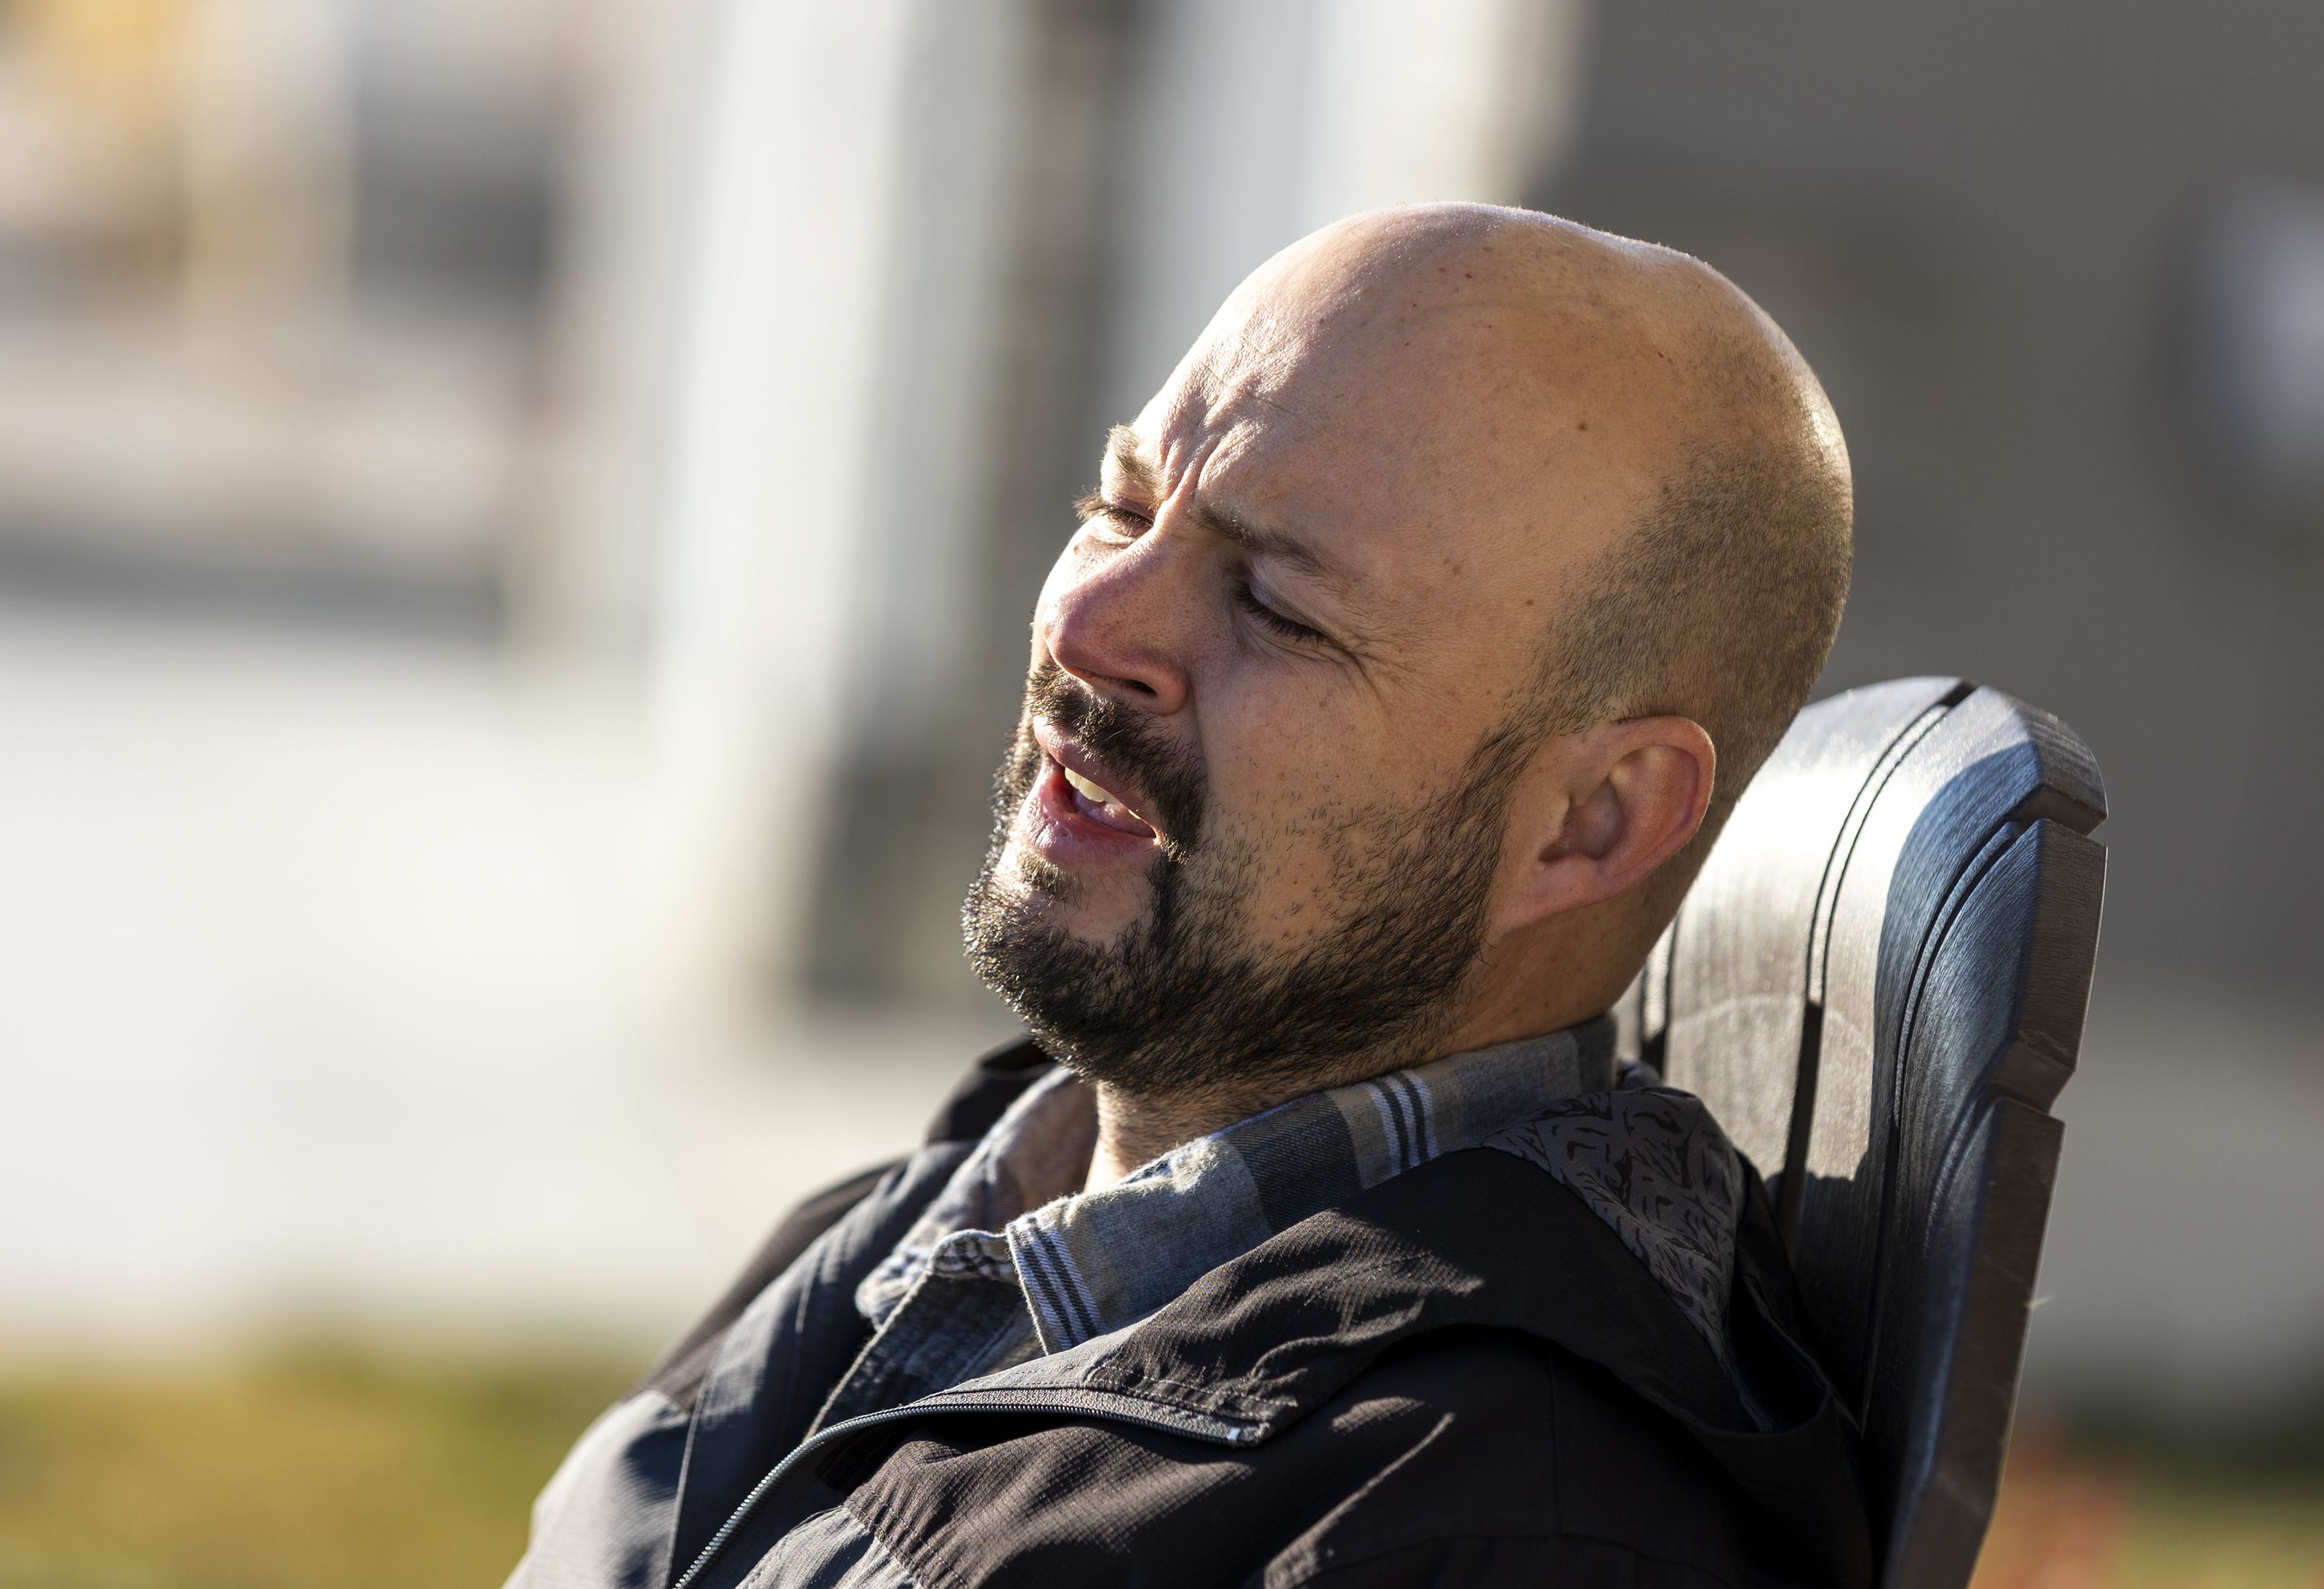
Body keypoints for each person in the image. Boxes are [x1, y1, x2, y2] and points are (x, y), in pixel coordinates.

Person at [508, 203, 1870, 1588]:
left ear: (1593, 820)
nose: (1089, 624)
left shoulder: (1480, 1528)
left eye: (1278, 607)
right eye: (1120, 508)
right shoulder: (968, 1198)